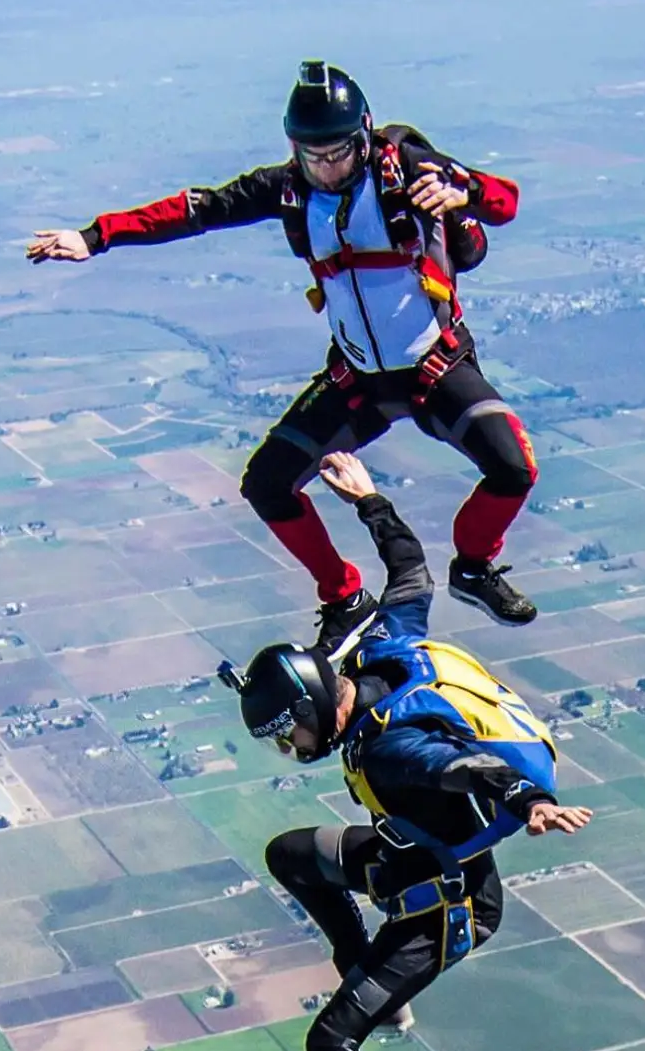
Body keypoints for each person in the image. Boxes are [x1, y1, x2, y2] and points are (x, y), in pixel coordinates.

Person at [28, 59, 541, 641]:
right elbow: (199, 209)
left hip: (434, 369)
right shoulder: (290, 188)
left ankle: (472, 567)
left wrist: (462, 191)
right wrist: (96, 236)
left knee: (514, 469)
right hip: (360, 383)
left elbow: (506, 202)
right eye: (310, 154)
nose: (323, 167)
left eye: (337, 153)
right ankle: (344, 595)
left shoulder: (409, 172)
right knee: (267, 483)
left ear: (363, 137)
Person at [228, 450, 593, 1051]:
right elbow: (411, 573)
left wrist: (526, 798)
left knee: (332, 1043)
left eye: (290, 732)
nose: (293, 747)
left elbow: (459, 767)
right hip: (404, 861)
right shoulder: (383, 647)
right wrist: (370, 499)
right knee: (291, 857)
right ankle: (363, 965)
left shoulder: (391, 746)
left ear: (319, 699)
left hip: (447, 907)